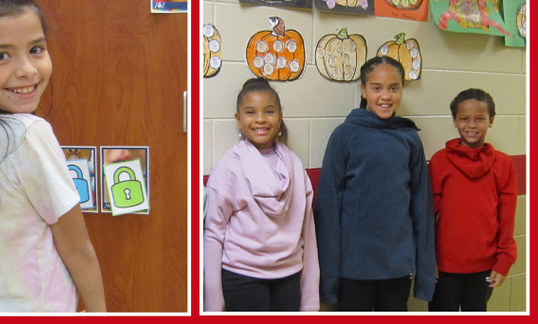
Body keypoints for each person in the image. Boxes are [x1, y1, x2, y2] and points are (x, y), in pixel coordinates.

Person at [0, 0, 106, 311]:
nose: (28, 70)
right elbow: (78, 248)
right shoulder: (29, 133)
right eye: (1, 55)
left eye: (36, 49)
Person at [315, 57, 436, 310]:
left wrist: (424, 272)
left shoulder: (409, 138)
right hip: (354, 269)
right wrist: (328, 279)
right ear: (363, 90)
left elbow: (421, 208)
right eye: (377, 87)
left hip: (397, 267)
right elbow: (328, 210)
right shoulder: (344, 136)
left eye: (394, 87)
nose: (386, 96)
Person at [203, 78, 319, 311]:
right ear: (238, 119)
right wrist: (213, 303)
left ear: (280, 116)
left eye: (269, 111)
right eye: (250, 112)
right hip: (241, 276)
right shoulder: (229, 167)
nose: (260, 119)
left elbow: (308, 233)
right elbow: (213, 234)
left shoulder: (294, 166)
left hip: (288, 275)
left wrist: (310, 299)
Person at [428, 88, 517, 311]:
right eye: (464, 119)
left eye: (479, 119)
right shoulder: (440, 161)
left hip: (485, 268)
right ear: (455, 122)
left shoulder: (503, 164)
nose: (471, 125)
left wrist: (504, 260)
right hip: (444, 268)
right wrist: (427, 258)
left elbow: (506, 217)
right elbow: (428, 215)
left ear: (491, 121)